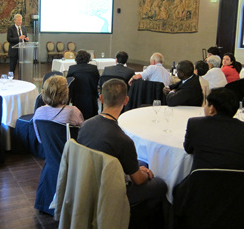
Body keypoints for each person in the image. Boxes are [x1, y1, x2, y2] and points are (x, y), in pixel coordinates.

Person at [77, 79, 167, 211]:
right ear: (126, 100)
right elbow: (138, 181)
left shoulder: (85, 125)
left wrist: (135, 169)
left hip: (86, 183)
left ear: (101, 98)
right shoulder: (123, 140)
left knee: (140, 164)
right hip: (110, 191)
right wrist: (146, 174)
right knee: (161, 185)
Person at [183, 88, 244, 171]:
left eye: (206, 104)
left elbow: (189, 149)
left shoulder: (195, 124)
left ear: (212, 109)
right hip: (236, 182)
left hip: (201, 181)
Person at [33, 75, 84, 142]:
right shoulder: (73, 111)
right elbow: (83, 134)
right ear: (65, 94)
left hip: (47, 151)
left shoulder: (38, 112)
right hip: (69, 150)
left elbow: (40, 140)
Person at [67, 50, 100, 120]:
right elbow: (98, 81)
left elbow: (69, 82)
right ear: (88, 58)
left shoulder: (72, 68)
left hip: (77, 97)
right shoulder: (93, 68)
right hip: (91, 97)